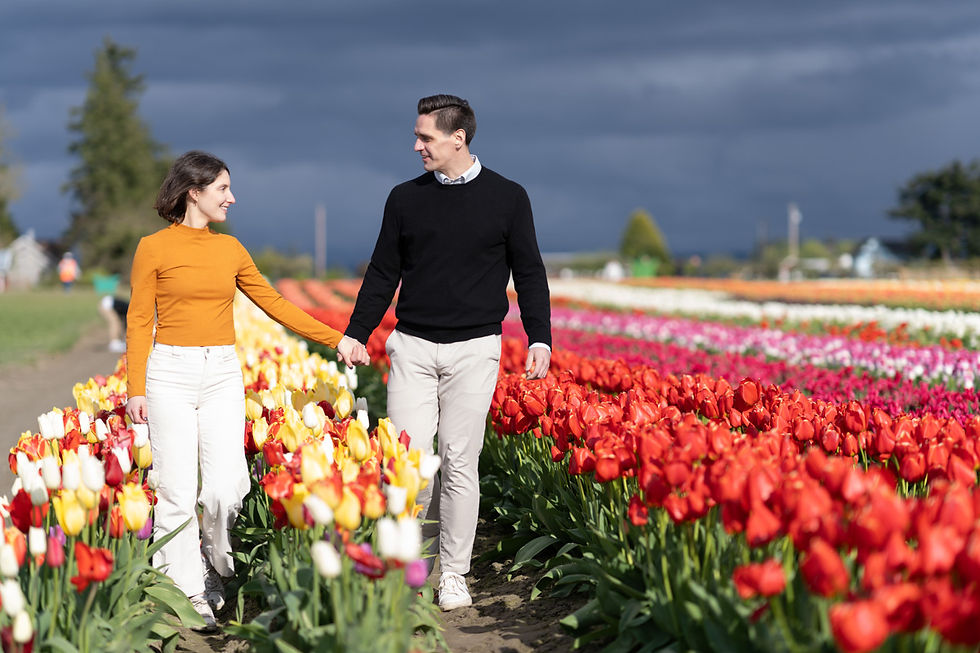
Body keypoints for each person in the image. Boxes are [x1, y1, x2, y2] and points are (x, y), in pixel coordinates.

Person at [125, 150, 369, 631]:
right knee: (176, 491)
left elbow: (275, 303)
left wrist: (338, 339)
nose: (232, 198)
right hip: (168, 371)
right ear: (194, 192)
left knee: (225, 488)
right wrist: (135, 388)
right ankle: (193, 589)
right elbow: (138, 319)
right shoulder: (152, 248)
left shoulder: (230, 250)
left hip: (220, 371)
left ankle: (213, 562)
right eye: (223, 189)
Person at [344, 94, 552, 611]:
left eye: (426, 138)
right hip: (412, 346)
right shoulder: (404, 198)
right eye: (417, 137)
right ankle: (412, 568)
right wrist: (356, 331)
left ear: (458, 138)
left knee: (461, 464)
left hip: (475, 349)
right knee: (409, 466)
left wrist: (539, 335)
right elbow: (381, 272)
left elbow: (529, 272)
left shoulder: (508, 197)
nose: (417, 146)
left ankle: (454, 575)